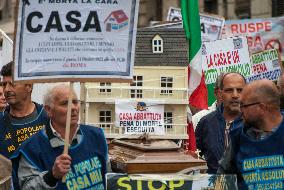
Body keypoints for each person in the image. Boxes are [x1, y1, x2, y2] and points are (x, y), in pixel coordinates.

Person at [13, 84, 108, 189]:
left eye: (75, 102)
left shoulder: (97, 136)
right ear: (49, 110)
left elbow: (108, 176)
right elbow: (27, 188)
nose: (73, 108)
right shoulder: (31, 148)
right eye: (65, 103)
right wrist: (52, 176)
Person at [218, 79, 284, 189]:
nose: (240, 110)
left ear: (262, 108)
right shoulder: (238, 135)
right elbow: (223, 176)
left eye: (244, 105)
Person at [195, 72, 246, 174]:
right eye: (229, 90)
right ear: (220, 94)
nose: (235, 95)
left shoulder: (254, 121)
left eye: (240, 90)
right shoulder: (206, 123)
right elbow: (194, 156)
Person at [0, 61, 49, 159]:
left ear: (29, 86)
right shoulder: (1, 121)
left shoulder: (49, 118)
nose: (6, 89)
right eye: (4, 84)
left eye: (12, 84)